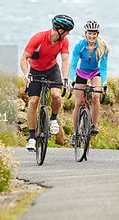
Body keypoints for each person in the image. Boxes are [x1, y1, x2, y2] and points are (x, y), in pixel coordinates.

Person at [20, 15, 74, 151]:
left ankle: (53, 119)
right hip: (35, 70)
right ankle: (32, 138)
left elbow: (65, 59)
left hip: (52, 69)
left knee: (56, 95)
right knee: (33, 101)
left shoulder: (64, 41)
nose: (68, 34)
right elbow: (24, 58)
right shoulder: (38, 38)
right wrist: (26, 74)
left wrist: (66, 77)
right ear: (59, 29)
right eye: (67, 31)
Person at [69, 20, 110, 145]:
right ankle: (75, 133)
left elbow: (103, 68)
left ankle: (93, 125)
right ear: (85, 33)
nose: (92, 36)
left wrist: (104, 83)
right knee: (78, 103)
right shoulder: (79, 45)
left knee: (95, 96)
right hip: (81, 73)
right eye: (89, 33)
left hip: (94, 73)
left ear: (97, 34)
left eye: (94, 34)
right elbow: (73, 64)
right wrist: (71, 80)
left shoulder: (103, 48)